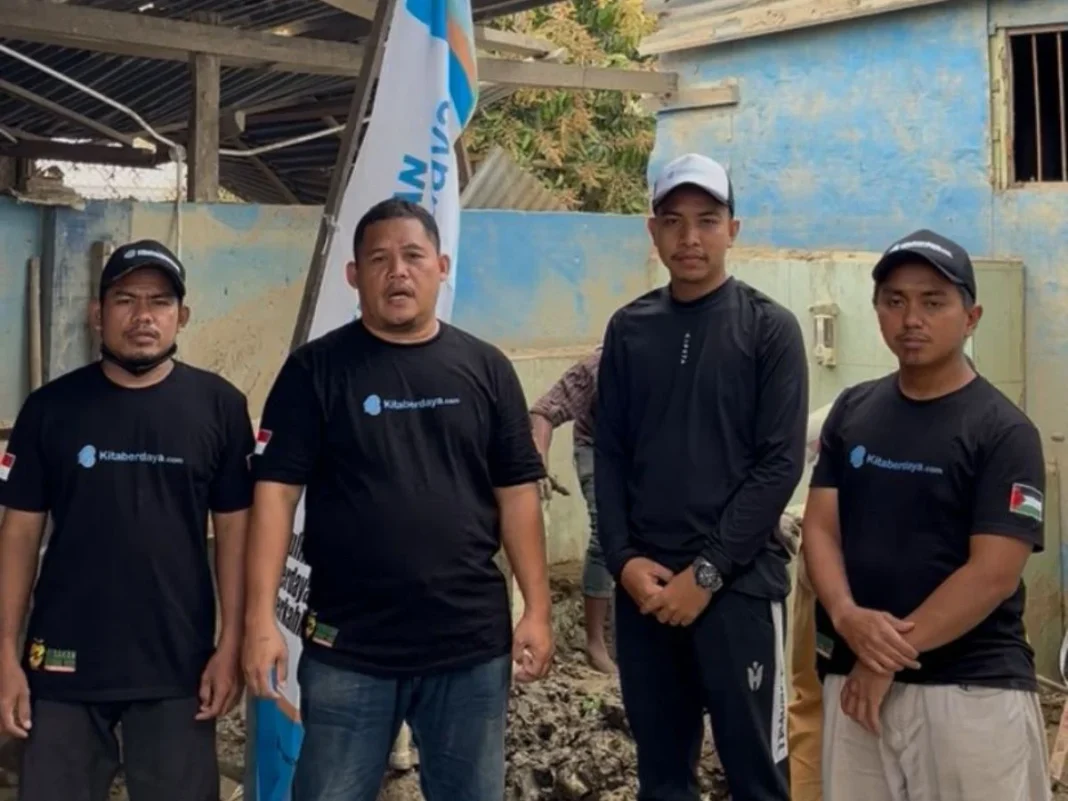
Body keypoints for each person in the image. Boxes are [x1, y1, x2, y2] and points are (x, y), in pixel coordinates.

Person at [242, 198, 554, 801]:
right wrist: (260, 621)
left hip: (468, 647)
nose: (398, 272)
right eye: (379, 259)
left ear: (441, 266)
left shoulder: (486, 369)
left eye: (413, 256)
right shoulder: (313, 372)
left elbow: (517, 492)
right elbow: (275, 495)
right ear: (354, 275)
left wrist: (537, 608)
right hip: (347, 648)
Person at [0, 240, 254, 801]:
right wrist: (4, 656)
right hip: (62, 662)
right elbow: (18, 533)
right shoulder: (49, 410)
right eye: (125, 300)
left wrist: (230, 642)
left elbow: (236, 532)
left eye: (160, 302)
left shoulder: (220, 407)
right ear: (97, 313)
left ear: (181, 316)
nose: (143, 316)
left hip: (176, 664)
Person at [802, 230, 1051, 801]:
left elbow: (992, 574)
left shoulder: (1005, 432)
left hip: (971, 691)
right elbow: (820, 527)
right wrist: (845, 617)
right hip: (855, 688)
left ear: (971, 316)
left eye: (933, 301)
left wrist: (884, 658)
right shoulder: (853, 410)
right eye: (895, 300)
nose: (911, 318)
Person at [596, 152, 809, 801]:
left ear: (732, 229)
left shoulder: (770, 329)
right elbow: (608, 452)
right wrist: (624, 560)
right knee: (661, 777)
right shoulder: (630, 330)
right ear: (652, 230)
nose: (690, 238)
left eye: (707, 221)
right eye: (674, 221)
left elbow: (780, 464)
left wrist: (708, 573)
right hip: (647, 594)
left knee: (757, 775)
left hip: (739, 591)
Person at [530, 347, 616, 673]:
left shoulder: (678, 367)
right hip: (596, 446)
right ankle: (595, 642)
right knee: (606, 530)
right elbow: (544, 410)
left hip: (645, 453)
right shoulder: (600, 365)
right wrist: (538, 462)